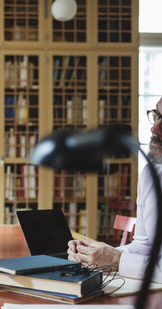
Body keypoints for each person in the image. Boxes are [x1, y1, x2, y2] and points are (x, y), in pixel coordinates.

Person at [67, 97, 162, 283]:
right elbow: (144, 246)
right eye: (157, 115)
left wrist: (117, 260)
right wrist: (96, 254)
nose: (154, 129)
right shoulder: (151, 175)